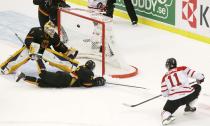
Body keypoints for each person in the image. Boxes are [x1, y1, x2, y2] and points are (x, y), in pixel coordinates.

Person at [0, 22, 79, 75]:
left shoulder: (54, 36)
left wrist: (67, 51)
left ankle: (71, 66)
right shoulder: (35, 30)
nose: (53, 32)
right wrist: (33, 47)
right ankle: (5, 68)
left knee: (54, 57)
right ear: (46, 29)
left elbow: (58, 47)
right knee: (24, 52)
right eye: (51, 30)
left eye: (53, 30)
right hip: (31, 50)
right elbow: (27, 41)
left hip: (44, 51)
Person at [161, 58, 205, 125]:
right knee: (197, 87)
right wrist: (201, 78)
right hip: (188, 95)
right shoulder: (182, 68)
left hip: (175, 100)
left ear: (167, 66)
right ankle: (189, 107)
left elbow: (164, 94)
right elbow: (197, 75)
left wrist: (171, 91)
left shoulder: (165, 77)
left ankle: (166, 118)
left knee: (165, 111)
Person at [16, 60, 106, 88]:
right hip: (65, 80)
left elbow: (66, 68)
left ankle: (24, 77)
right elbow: (86, 83)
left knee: (41, 83)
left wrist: (54, 64)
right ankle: (38, 58)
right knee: (43, 75)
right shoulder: (89, 72)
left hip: (63, 80)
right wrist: (98, 81)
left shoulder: (81, 68)